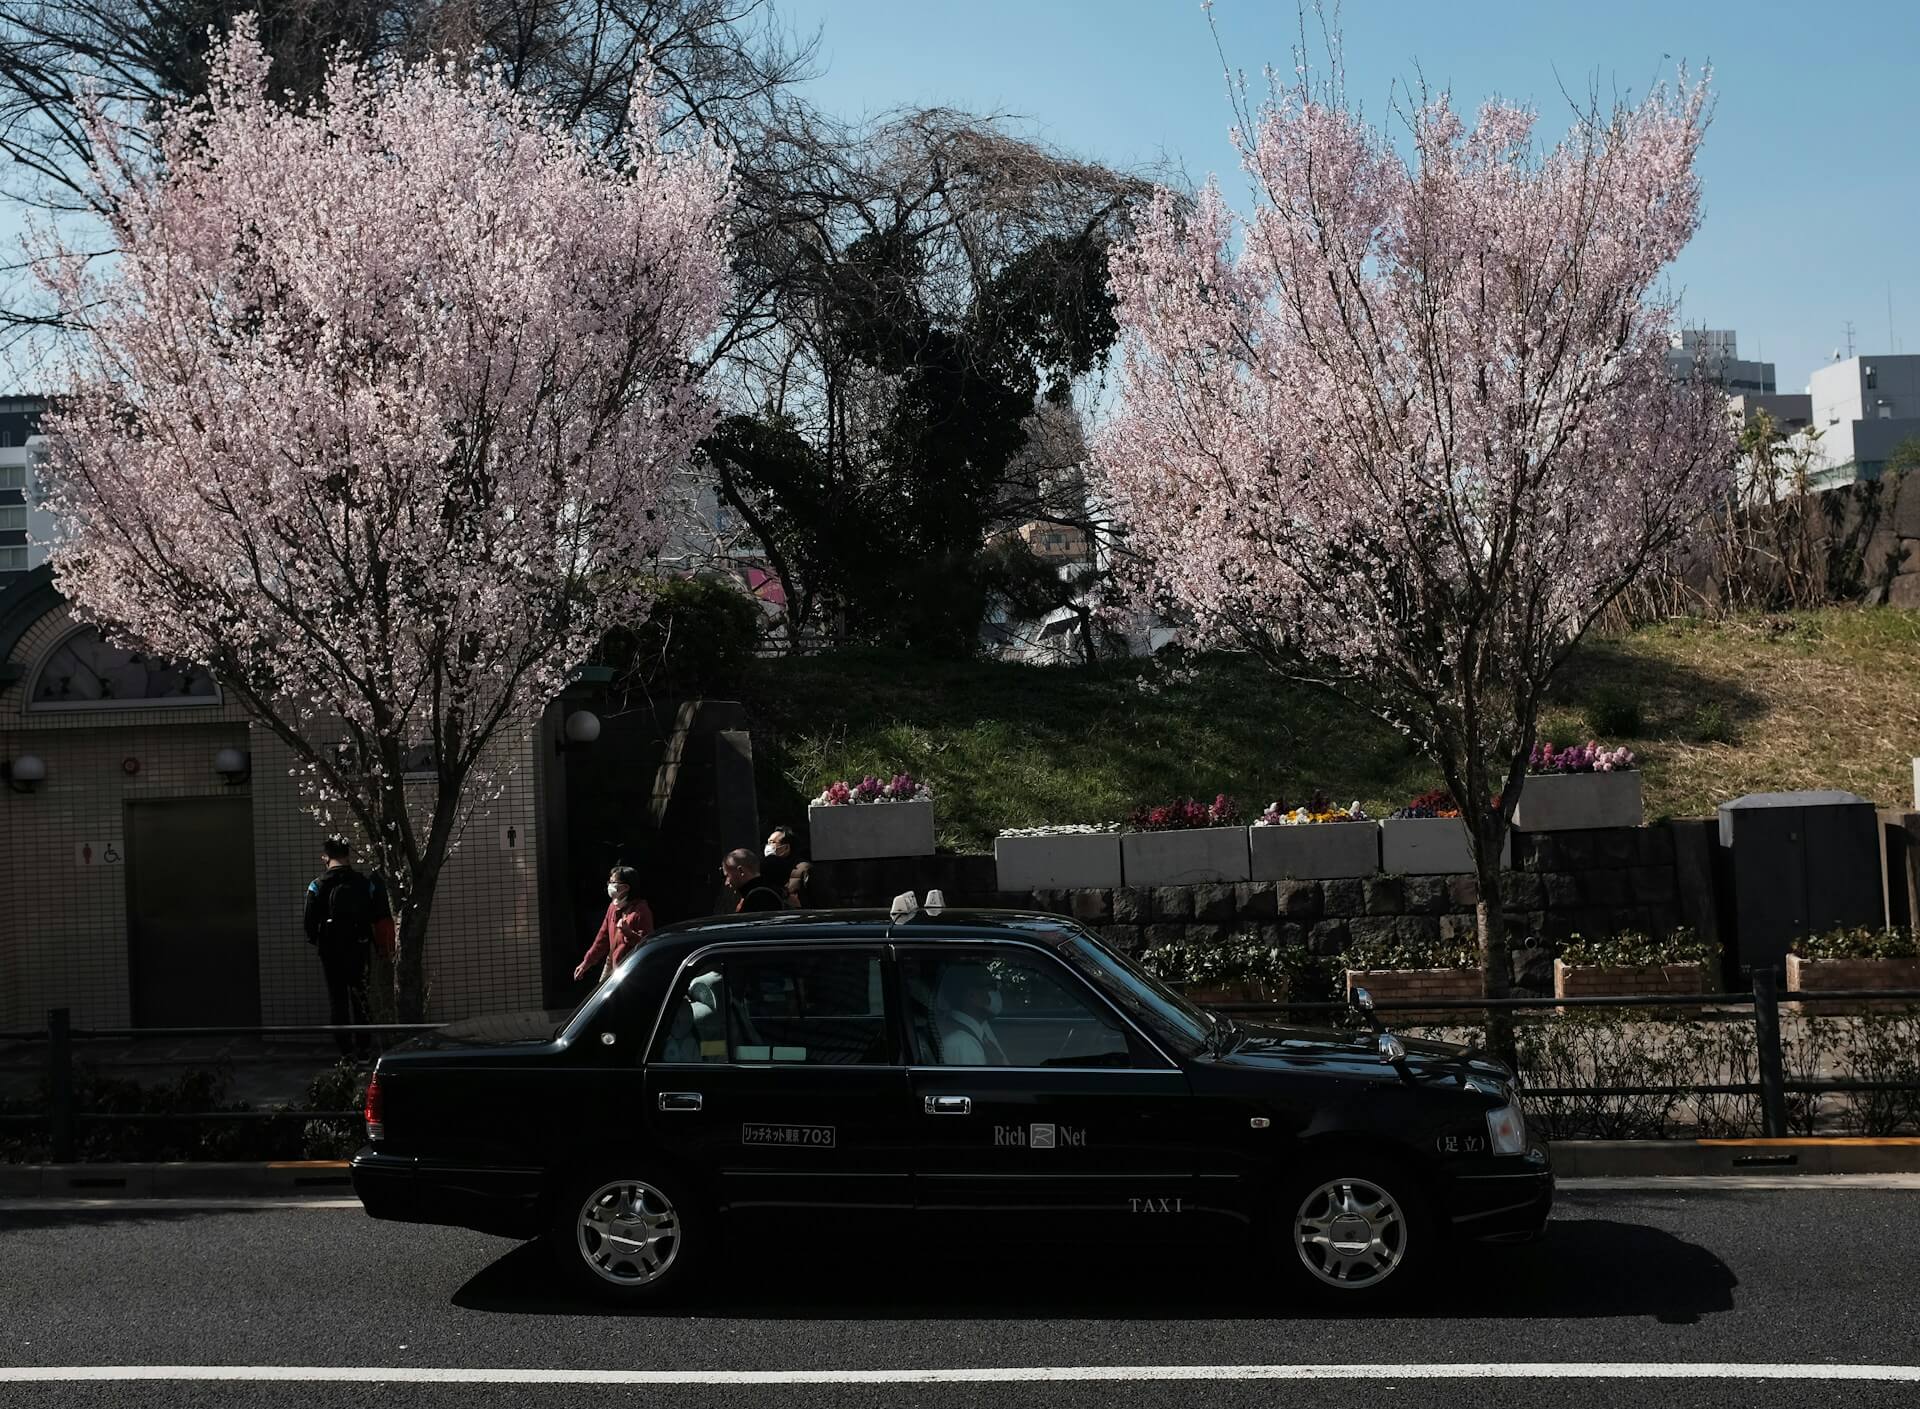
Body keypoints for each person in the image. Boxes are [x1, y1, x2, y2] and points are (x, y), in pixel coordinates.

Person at [304, 835, 377, 1057]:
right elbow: (376, 915)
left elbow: (309, 924)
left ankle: (346, 1052)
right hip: (359, 947)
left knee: (337, 1001)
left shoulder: (317, 885)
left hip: (331, 951)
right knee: (361, 998)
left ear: (325, 858)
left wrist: (320, 940)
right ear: (348, 855)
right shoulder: (365, 883)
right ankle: (364, 1049)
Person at [574, 866, 654, 983]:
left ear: (626, 887)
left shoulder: (641, 911)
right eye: (609, 882)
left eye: (613, 882)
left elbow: (647, 945)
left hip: (631, 969)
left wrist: (629, 934)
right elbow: (602, 938)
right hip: (612, 963)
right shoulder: (613, 907)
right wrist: (587, 962)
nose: (609, 886)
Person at [935, 961, 1010, 1065]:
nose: (997, 991)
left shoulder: (981, 1030)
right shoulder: (961, 1044)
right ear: (972, 996)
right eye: (992, 986)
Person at [721, 847, 786, 913]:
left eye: (728, 876)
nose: (727, 882)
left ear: (741, 871)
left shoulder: (759, 898)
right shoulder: (769, 891)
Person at [760, 824, 799, 892]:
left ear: (786, 847)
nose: (768, 846)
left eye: (772, 842)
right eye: (768, 842)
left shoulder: (802, 869)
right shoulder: (764, 867)